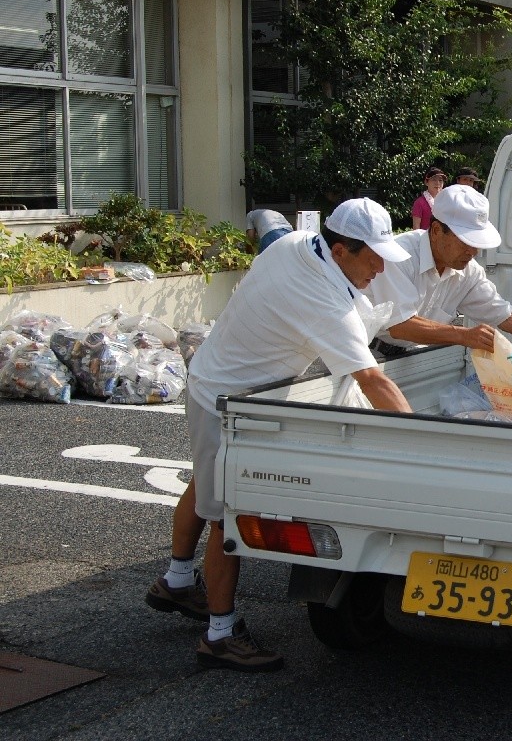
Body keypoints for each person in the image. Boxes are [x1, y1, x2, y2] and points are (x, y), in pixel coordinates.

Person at [145, 197, 414, 672]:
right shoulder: (323, 299)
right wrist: (421, 443)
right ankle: (220, 636)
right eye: (374, 258)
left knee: (205, 485)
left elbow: (266, 228)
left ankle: (178, 580)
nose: (380, 269)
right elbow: (373, 380)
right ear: (341, 250)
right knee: (228, 516)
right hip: (228, 402)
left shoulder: (298, 243)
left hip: (215, 381)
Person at [364, 184, 512, 359]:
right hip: (371, 355)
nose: (473, 251)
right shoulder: (399, 256)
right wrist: (463, 335)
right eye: (466, 241)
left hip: (413, 357)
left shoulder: (467, 271)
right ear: (436, 230)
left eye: (477, 243)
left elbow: (506, 316)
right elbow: (401, 325)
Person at [412, 166, 446, 231]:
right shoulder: (419, 203)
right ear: (426, 182)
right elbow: (416, 228)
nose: (437, 183)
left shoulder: (447, 200)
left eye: (440, 180)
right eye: (434, 179)